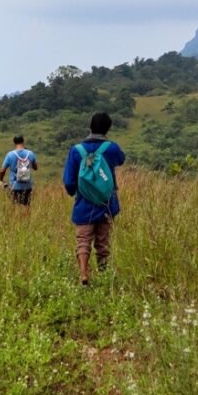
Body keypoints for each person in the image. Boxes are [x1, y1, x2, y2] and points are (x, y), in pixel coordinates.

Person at [62, 112, 125, 286]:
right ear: (108, 129)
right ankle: (104, 273)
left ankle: (83, 274)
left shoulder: (76, 150)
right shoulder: (111, 148)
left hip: (84, 203)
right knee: (103, 241)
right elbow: (121, 160)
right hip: (107, 202)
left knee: (83, 240)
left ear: (90, 127)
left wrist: (74, 192)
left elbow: (68, 181)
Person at [0, 134, 38, 205]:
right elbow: (36, 168)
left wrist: (1, 180)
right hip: (27, 186)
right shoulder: (30, 153)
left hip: (14, 186)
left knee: (15, 207)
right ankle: (26, 216)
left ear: (14, 142)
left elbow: (2, 171)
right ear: (23, 141)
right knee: (27, 206)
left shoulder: (10, 154)